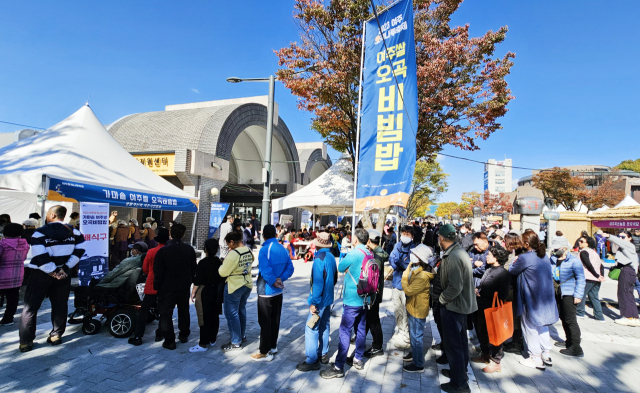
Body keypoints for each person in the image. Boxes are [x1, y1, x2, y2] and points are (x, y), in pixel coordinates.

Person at [19, 206, 85, 352]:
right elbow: (80, 250)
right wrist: (65, 268)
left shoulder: (40, 232)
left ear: (53, 215)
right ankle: (56, 335)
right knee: (60, 304)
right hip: (63, 274)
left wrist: (53, 270)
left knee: (30, 308)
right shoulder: (75, 232)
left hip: (41, 274)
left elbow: (39, 255)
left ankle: (26, 341)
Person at [320, 228, 372, 379]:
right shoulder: (369, 253)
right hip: (365, 298)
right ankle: (358, 359)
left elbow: (341, 267)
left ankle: (338, 367)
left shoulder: (355, 253)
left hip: (352, 299)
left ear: (355, 239)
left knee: (345, 331)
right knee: (361, 329)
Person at [435, 224, 476, 393]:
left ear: (441, 238)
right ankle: (459, 373)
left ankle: (459, 384)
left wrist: (442, 300)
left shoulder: (453, 256)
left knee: (454, 346)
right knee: (460, 344)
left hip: (454, 306)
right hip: (460, 305)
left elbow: (455, 287)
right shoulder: (457, 251)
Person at [509, 232, 558, 369]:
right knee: (543, 325)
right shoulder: (544, 255)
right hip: (545, 296)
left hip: (531, 296)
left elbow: (512, 270)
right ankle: (546, 353)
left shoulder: (525, 258)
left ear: (526, 244)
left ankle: (535, 357)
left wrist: (514, 262)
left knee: (529, 326)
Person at [252, 224, 294, 361]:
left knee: (264, 321)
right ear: (276, 234)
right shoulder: (282, 248)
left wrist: (273, 280)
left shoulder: (264, 249)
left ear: (263, 235)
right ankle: (273, 346)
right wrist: (280, 279)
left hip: (266, 289)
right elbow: (290, 267)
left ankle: (264, 351)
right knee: (275, 320)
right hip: (278, 290)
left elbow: (264, 269)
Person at [297, 232, 337, 371]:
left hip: (320, 300)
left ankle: (312, 359)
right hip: (328, 298)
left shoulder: (319, 259)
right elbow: (335, 277)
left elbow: (318, 284)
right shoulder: (331, 256)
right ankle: (323, 354)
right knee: (324, 325)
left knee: (311, 328)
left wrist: (313, 302)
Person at [154, 223, 197, 350]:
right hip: (183, 285)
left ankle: (169, 340)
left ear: (170, 234)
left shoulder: (163, 251)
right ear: (183, 234)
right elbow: (193, 268)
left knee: (166, 313)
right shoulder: (189, 249)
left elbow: (158, 271)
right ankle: (184, 334)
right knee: (183, 310)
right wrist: (191, 281)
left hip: (166, 286)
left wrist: (157, 286)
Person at [472, 247, 511, 373]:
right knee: (481, 331)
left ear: (497, 258)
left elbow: (503, 294)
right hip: (482, 306)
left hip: (493, 308)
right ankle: (485, 354)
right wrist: (478, 290)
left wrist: (485, 294)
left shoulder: (503, 273)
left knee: (495, 334)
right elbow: (483, 284)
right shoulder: (489, 269)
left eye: (489, 255)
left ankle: (496, 361)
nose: (486, 257)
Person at [128, 228, 170, 346]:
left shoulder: (151, 252)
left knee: (144, 310)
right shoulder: (169, 251)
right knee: (164, 310)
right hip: (165, 284)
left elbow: (145, 268)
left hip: (151, 283)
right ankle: (160, 333)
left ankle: (138, 336)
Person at [401, 244, 435, 373]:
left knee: (417, 337)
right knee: (414, 335)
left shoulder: (422, 276)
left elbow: (408, 290)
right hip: (413, 306)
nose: (411, 256)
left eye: (414, 254)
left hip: (417, 309)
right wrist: (409, 267)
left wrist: (404, 278)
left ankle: (418, 364)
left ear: (420, 258)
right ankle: (414, 354)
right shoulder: (416, 268)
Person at [550, 238, 585, 357]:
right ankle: (568, 341)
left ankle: (576, 347)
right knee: (563, 317)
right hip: (558, 292)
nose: (555, 251)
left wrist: (578, 295)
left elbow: (581, 279)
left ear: (565, 248)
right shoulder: (553, 260)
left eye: (557, 249)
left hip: (569, 293)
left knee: (570, 319)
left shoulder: (574, 261)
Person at [219, 231, 254, 351]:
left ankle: (235, 341)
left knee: (231, 313)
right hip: (247, 284)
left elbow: (223, 272)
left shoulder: (234, 254)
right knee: (241, 310)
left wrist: (224, 261)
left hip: (234, 285)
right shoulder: (248, 250)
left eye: (228, 244)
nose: (228, 246)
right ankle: (241, 335)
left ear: (232, 242)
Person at [189, 239, 225, 353]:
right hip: (217, 291)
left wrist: (193, 292)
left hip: (205, 291)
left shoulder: (203, 262)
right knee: (214, 315)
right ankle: (213, 338)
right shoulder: (219, 262)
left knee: (203, 316)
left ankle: (203, 343)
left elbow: (198, 280)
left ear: (205, 249)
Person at [388, 225, 416, 349]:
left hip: (407, 285)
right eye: (404, 233)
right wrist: (399, 263)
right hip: (396, 282)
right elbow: (392, 259)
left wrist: (400, 263)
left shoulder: (414, 249)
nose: (405, 236)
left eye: (408, 234)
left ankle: (406, 336)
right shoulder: (397, 245)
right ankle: (401, 331)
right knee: (397, 309)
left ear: (412, 236)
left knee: (406, 311)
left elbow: (409, 266)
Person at [604, 231, 640, 326]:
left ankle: (627, 316)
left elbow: (621, 243)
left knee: (623, 294)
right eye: (619, 236)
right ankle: (634, 317)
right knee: (629, 294)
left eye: (623, 237)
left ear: (629, 238)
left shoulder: (629, 245)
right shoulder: (626, 247)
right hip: (629, 272)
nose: (620, 238)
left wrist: (609, 236)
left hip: (627, 271)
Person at [363, 229, 388, 358]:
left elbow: (374, 277)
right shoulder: (379, 253)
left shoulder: (376, 256)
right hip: (376, 292)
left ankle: (377, 346)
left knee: (374, 320)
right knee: (370, 318)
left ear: (369, 240)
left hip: (374, 293)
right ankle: (361, 337)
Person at [0, 224, 30, 326]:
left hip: (2, 274)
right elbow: (24, 258)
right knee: (13, 297)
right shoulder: (25, 243)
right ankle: (8, 319)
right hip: (17, 274)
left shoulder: (2, 243)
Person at [576, 236, 605, 322]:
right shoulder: (595, 253)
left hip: (587, 277)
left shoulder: (583, 252)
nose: (579, 243)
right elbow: (601, 265)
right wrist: (601, 275)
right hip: (596, 280)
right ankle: (599, 316)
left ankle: (580, 313)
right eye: (579, 241)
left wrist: (597, 275)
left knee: (581, 294)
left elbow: (588, 264)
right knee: (594, 297)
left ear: (587, 243)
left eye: (581, 241)